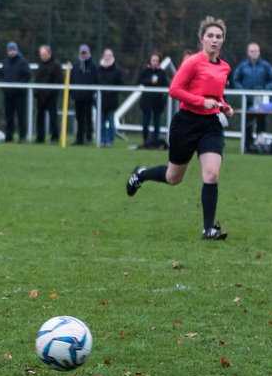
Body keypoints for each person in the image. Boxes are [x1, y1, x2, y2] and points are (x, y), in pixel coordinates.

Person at [126, 16, 235, 241]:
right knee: (173, 177)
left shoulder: (225, 67)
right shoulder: (193, 62)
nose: (215, 40)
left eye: (219, 36)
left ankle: (208, 229)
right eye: (210, 36)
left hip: (210, 125)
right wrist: (200, 101)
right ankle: (141, 174)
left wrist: (224, 106)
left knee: (212, 173)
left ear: (223, 40)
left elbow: (216, 95)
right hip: (186, 123)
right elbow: (174, 90)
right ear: (202, 39)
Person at [231, 42, 272, 147]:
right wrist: (242, 91)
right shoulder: (242, 67)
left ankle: (261, 144)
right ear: (248, 53)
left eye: (256, 51)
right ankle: (248, 144)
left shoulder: (266, 66)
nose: (254, 53)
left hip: (262, 101)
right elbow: (236, 80)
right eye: (251, 51)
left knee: (261, 122)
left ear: (259, 52)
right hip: (247, 100)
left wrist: (265, 90)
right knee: (247, 122)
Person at [137, 53, 171, 149]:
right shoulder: (145, 71)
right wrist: (150, 81)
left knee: (157, 124)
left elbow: (165, 84)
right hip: (146, 102)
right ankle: (146, 141)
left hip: (158, 103)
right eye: (153, 60)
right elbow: (140, 81)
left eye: (157, 60)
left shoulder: (162, 72)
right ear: (150, 61)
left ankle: (155, 142)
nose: (155, 62)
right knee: (145, 123)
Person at [0, 41, 30, 142]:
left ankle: (22, 137)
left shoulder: (23, 61)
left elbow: (27, 76)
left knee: (21, 116)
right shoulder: (5, 62)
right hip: (8, 94)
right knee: (9, 117)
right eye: (10, 50)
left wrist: (19, 85)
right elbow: (0, 75)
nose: (11, 52)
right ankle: (9, 137)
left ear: (16, 50)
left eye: (13, 50)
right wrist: (4, 85)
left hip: (19, 94)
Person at [95, 47, 124, 146]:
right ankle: (102, 140)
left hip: (112, 100)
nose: (107, 57)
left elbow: (121, 83)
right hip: (100, 100)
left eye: (109, 55)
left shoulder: (117, 69)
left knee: (111, 122)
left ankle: (110, 141)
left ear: (112, 56)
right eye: (105, 55)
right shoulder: (98, 68)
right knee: (101, 122)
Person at [33, 44, 62, 144]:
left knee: (53, 118)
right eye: (41, 55)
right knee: (39, 118)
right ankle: (40, 138)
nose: (43, 57)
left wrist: (50, 93)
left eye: (45, 55)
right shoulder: (40, 64)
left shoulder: (56, 65)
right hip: (41, 97)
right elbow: (37, 79)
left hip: (51, 97)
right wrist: (36, 93)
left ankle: (54, 138)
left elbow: (59, 81)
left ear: (49, 54)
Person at [70, 44, 97, 145]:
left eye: (85, 53)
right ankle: (79, 138)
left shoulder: (93, 66)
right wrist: (72, 95)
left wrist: (93, 94)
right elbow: (71, 81)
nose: (84, 55)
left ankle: (89, 138)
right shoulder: (76, 67)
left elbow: (95, 81)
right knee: (79, 118)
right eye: (82, 53)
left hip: (88, 97)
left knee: (88, 118)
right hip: (78, 97)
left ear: (89, 53)